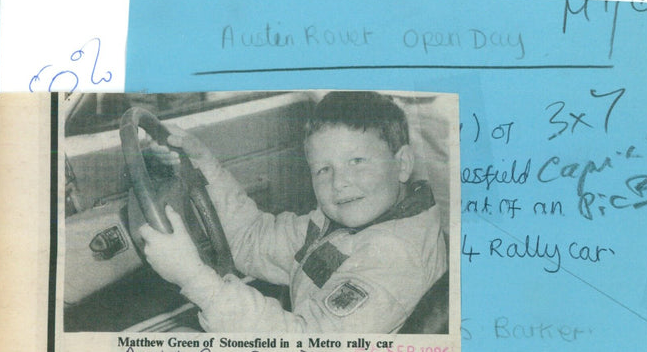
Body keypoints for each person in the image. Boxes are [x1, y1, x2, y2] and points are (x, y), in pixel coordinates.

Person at [139, 91, 447, 333]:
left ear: (403, 164)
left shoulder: (393, 255)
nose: (339, 183)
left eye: (357, 162)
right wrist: (204, 165)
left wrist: (193, 278)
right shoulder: (337, 224)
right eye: (323, 170)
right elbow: (254, 239)